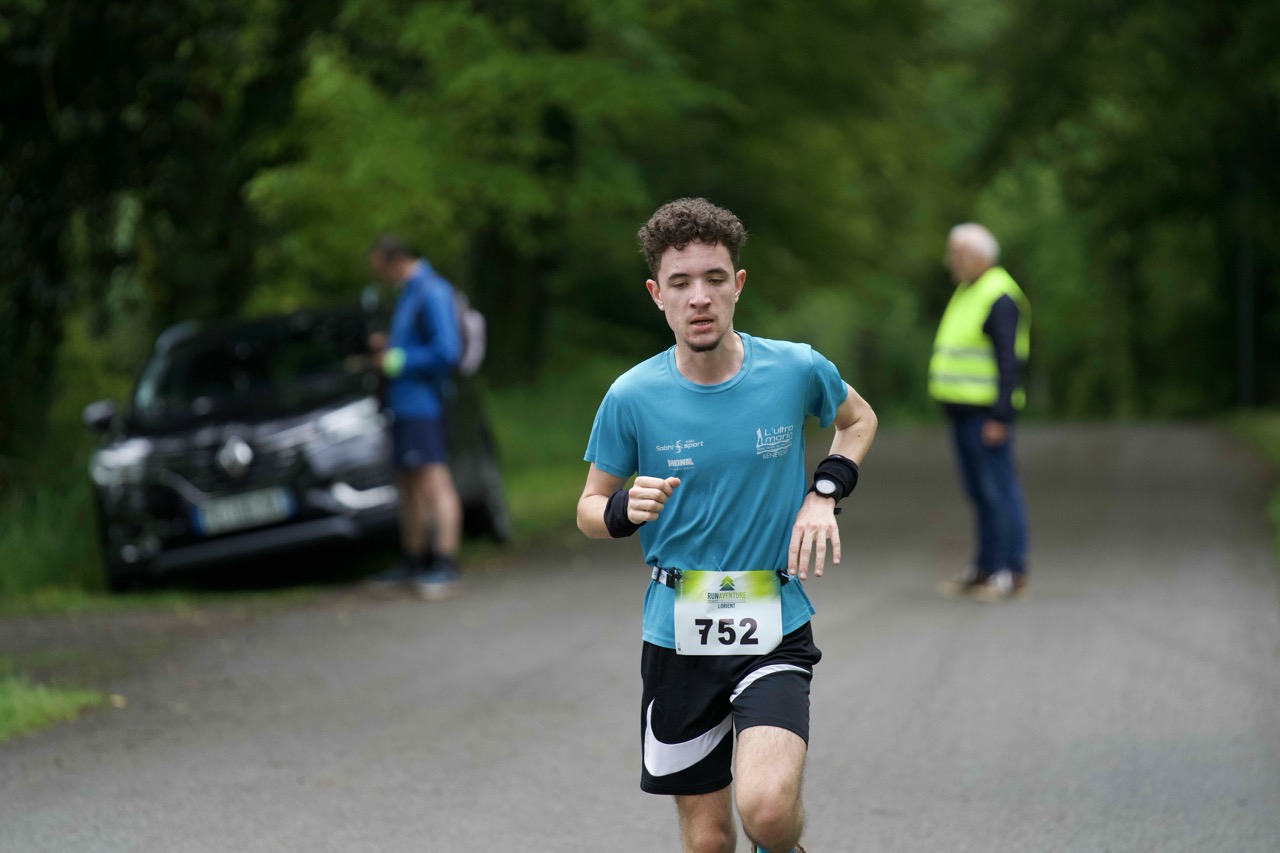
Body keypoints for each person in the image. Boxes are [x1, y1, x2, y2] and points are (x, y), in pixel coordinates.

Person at [576, 198, 877, 853]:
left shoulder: (794, 368)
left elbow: (858, 420)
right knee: (709, 842)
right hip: (676, 633)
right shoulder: (631, 396)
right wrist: (624, 508)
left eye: (714, 279)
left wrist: (824, 492)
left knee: (766, 810)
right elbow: (589, 508)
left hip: (773, 622)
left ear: (738, 284)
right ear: (656, 295)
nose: (699, 298)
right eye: (681, 283)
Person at [929, 223, 1032, 603]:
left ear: (978, 256)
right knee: (980, 493)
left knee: (999, 491)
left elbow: (1009, 361)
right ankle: (986, 568)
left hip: (986, 415)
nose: (950, 261)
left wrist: (1000, 416)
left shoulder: (998, 295)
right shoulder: (969, 290)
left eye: (956, 254)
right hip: (964, 413)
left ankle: (1011, 572)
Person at [364, 234, 464, 601]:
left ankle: (446, 561)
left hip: (425, 404)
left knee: (433, 479)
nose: (379, 277)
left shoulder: (432, 290)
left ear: (395, 260)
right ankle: (414, 559)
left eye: (380, 268)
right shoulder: (408, 292)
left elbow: (448, 351)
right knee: (407, 481)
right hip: (403, 405)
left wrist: (397, 360)